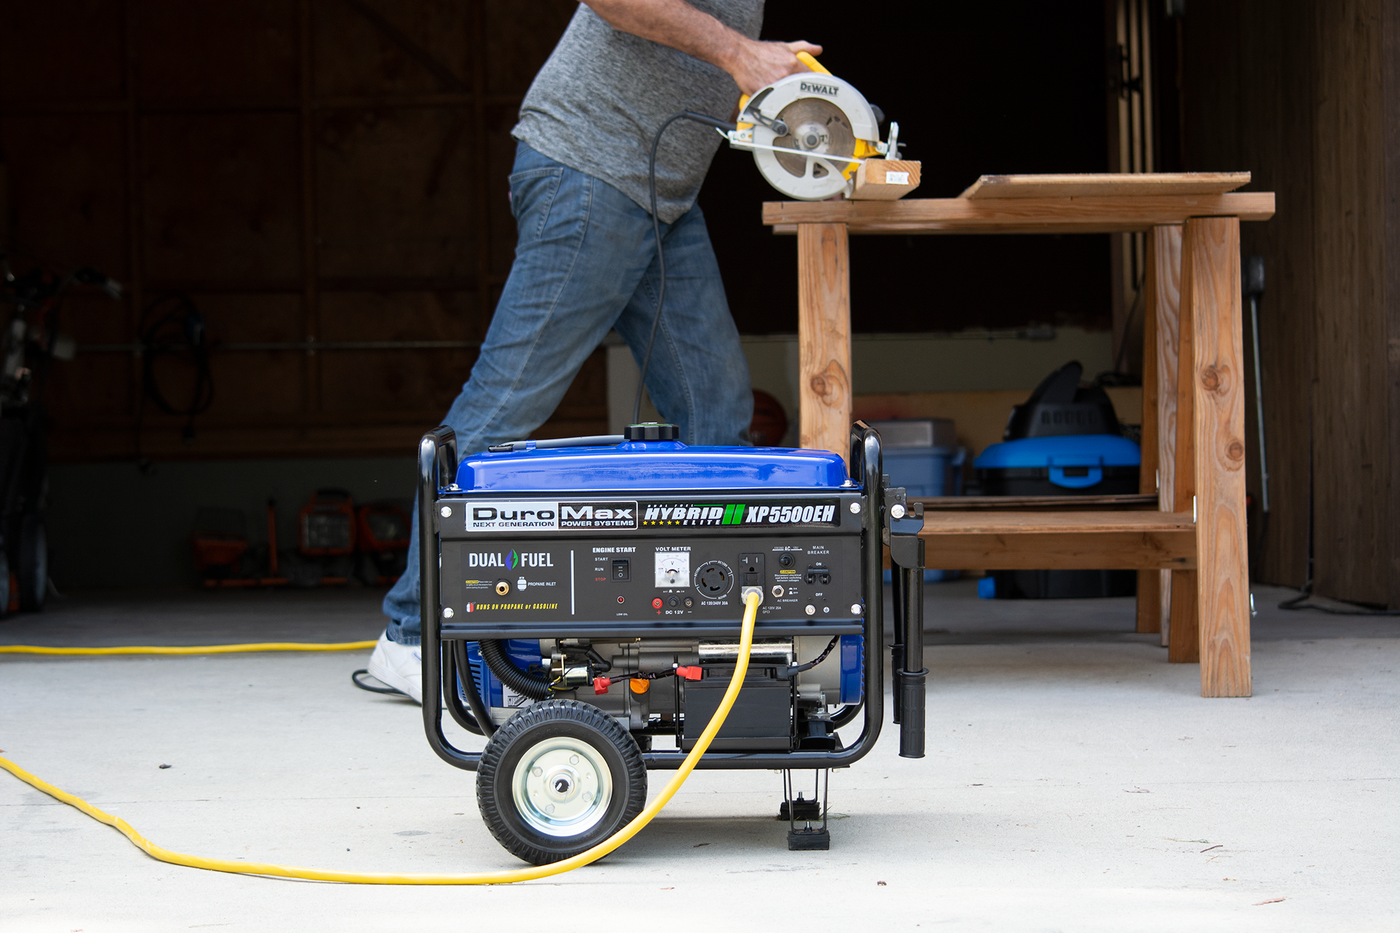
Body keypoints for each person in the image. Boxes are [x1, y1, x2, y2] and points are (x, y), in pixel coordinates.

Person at [365, 0, 821, 701]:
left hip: (663, 194)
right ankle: (408, 635)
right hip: (590, 169)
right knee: (505, 404)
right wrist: (738, 52)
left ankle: (713, 633)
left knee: (715, 412)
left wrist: (754, 60)